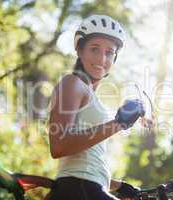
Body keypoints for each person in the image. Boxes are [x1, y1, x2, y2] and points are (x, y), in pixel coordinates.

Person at [48, 14, 145, 200]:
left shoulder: (93, 99)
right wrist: (118, 123)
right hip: (78, 188)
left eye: (109, 52)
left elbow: (86, 163)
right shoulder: (72, 83)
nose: (102, 58)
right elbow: (59, 146)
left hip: (87, 187)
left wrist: (120, 186)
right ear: (79, 50)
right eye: (94, 49)